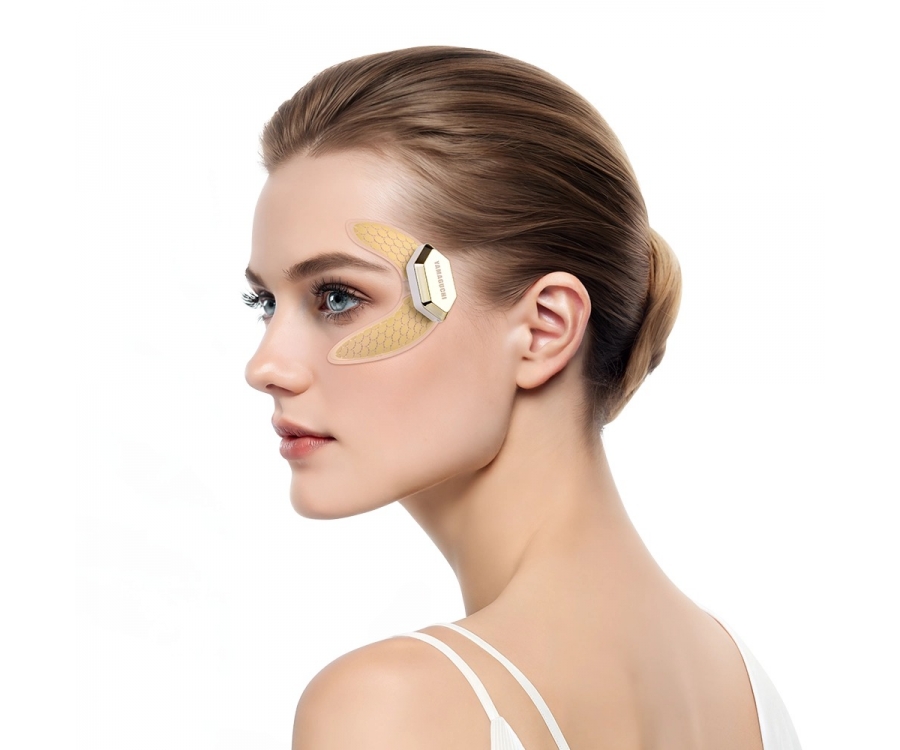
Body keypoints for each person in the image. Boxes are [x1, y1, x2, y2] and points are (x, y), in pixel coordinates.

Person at [243, 46, 802, 750]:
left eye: (337, 297)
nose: (265, 366)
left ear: (544, 329)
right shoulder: (740, 684)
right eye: (264, 302)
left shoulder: (393, 707)